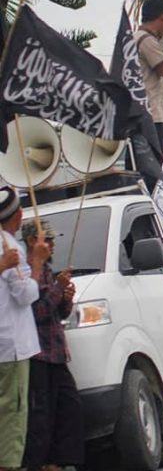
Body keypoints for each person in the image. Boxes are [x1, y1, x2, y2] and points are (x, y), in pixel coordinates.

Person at [21, 220, 84, 469]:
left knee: (69, 408)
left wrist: (66, 298)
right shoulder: (27, 271)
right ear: (31, 242)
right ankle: (40, 463)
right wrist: (58, 289)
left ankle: (61, 462)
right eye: (46, 240)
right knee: (41, 415)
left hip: (56, 353)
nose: (52, 244)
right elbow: (36, 312)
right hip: (37, 354)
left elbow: (59, 314)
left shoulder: (47, 269)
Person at [0, 187, 47, 470]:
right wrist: (37, 262)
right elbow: (25, 293)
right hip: (11, 348)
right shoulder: (9, 246)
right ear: (16, 215)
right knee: (12, 421)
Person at [134, 0, 163, 150]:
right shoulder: (146, 41)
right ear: (162, 18)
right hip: (150, 116)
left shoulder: (134, 38)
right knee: (151, 165)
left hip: (137, 114)